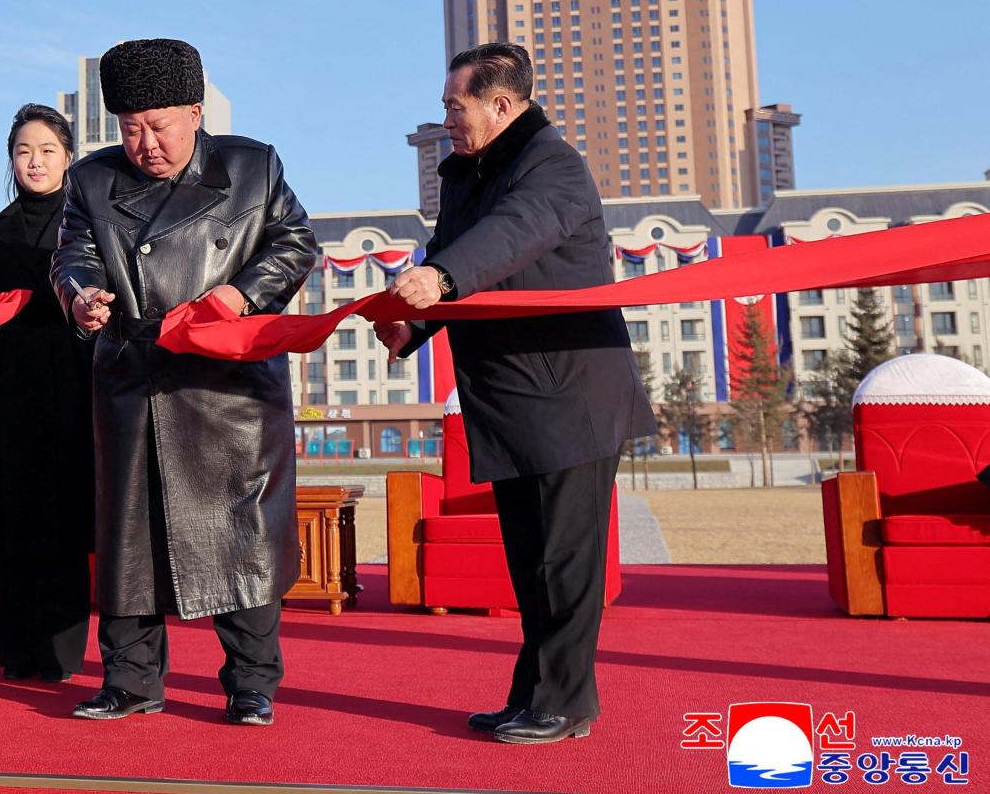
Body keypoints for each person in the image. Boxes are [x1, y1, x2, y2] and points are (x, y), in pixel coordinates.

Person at [376, 41, 657, 745]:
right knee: (531, 564)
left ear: (501, 105)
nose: (446, 119)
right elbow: (454, 255)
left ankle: (567, 704)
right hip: (510, 398)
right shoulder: (468, 175)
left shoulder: (552, 166)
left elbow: (512, 236)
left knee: (566, 562)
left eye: (455, 106)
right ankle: (532, 697)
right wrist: (414, 326)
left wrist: (441, 280)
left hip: (570, 396)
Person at [52, 38, 318, 726]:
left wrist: (240, 296)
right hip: (133, 377)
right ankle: (130, 680)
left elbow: (295, 242)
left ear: (195, 114)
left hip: (228, 384)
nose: (146, 144)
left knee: (242, 535)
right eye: (130, 129)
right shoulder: (91, 180)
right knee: (128, 539)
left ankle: (251, 683)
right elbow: (74, 254)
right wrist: (81, 296)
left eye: (160, 126)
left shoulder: (252, 166)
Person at [0, 103, 94, 683]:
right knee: (12, 518)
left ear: (68, 158)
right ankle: (16, 650)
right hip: (8, 381)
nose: (35, 162)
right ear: (11, 160)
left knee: (66, 517)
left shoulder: (89, 222)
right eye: (24, 151)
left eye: (47, 151)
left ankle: (60, 653)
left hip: (75, 374)